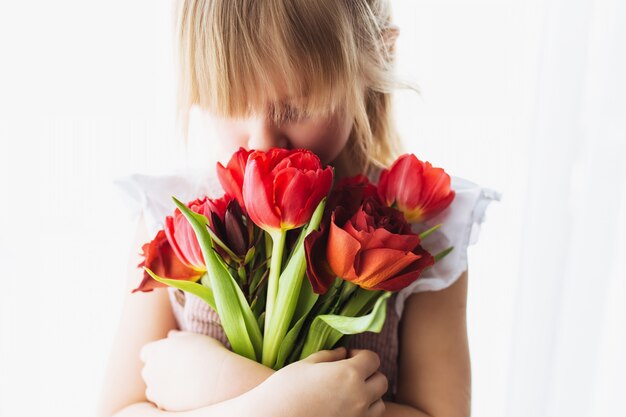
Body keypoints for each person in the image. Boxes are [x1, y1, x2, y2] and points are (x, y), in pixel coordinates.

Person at [99, 1, 501, 416]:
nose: (261, 143)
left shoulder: (420, 236)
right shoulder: (175, 217)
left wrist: (222, 387)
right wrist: (277, 402)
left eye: (294, 109)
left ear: (375, 58)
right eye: (230, 104)